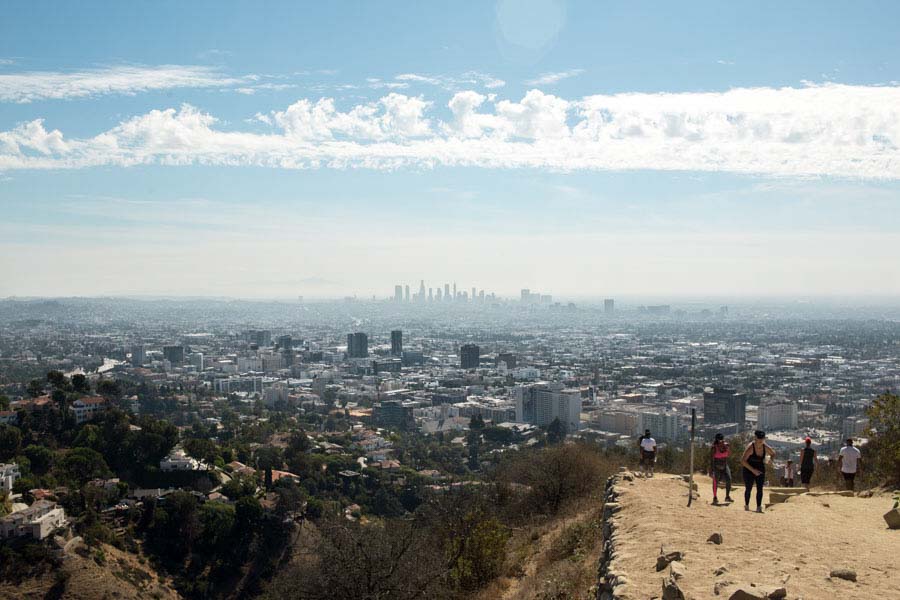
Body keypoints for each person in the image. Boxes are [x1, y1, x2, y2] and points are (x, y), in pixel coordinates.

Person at [741, 430, 776, 513]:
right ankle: (746, 505)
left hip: (760, 468)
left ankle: (759, 506)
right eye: (759, 439)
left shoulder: (765, 446)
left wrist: (771, 460)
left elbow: (773, 453)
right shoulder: (750, 447)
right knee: (748, 488)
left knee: (760, 488)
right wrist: (753, 471)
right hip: (749, 468)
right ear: (755, 438)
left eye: (762, 440)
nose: (760, 442)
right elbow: (743, 461)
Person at [709, 433, 733, 505]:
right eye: (719, 440)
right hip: (716, 466)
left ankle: (727, 496)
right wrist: (711, 469)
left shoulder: (726, 446)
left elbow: (729, 454)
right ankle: (715, 497)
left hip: (725, 465)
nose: (721, 441)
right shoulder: (714, 447)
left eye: (722, 440)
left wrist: (728, 448)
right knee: (715, 482)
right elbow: (711, 458)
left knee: (729, 479)